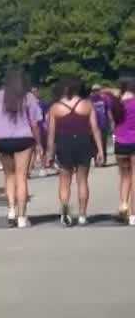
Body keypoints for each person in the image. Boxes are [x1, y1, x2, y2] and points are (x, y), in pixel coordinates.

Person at [0, 68, 44, 229]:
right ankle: (22, 217)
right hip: (24, 139)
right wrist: (39, 143)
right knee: (21, 177)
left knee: (9, 176)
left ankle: (11, 210)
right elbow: (35, 123)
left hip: (4, 140)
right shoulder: (28, 97)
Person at [45, 77, 105, 227]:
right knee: (82, 180)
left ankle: (65, 210)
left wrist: (49, 153)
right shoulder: (87, 105)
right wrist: (100, 150)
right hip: (84, 142)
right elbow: (95, 129)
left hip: (64, 143)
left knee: (64, 180)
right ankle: (83, 215)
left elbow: (51, 134)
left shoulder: (55, 108)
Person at [108, 77, 135, 225]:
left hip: (120, 143)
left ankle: (123, 204)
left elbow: (113, 122)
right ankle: (133, 215)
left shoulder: (117, 104)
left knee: (124, 177)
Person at [90, 84, 114, 166]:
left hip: (103, 123)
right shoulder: (90, 100)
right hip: (93, 125)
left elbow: (108, 110)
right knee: (94, 143)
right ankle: (97, 160)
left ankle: (103, 160)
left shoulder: (105, 99)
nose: (96, 92)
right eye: (94, 90)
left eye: (97, 90)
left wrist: (111, 121)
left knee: (103, 143)